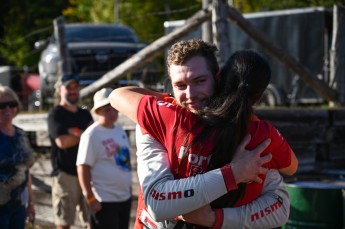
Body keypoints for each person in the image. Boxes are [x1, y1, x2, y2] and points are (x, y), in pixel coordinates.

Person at [110, 40, 297, 228]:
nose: (190, 94)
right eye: (180, 85)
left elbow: (117, 95)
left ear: (218, 78)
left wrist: (169, 99)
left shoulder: (169, 115)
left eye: (199, 81)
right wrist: (235, 173)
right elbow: (290, 172)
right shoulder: (262, 133)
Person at [76, 88, 132, 229]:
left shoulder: (119, 130)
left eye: (115, 108)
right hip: (104, 199)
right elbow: (83, 167)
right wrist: (90, 197)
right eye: (107, 109)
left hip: (124, 197)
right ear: (98, 111)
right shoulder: (91, 135)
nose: (113, 113)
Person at [47, 74, 93, 229]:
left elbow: (94, 136)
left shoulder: (84, 113)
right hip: (66, 175)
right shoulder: (55, 114)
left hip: (88, 173)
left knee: (92, 221)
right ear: (60, 90)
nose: (73, 91)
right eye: (68, 88)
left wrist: (74, 132)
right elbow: (62, 142)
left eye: (75, 87)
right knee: (64, 224)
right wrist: (84, 133)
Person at [0, 84, 35, 228]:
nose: (8, 109)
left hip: (19, 204)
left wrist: (30, 203)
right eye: (2, 106)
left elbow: (26, 170)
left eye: (12, 104)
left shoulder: (21, 134)